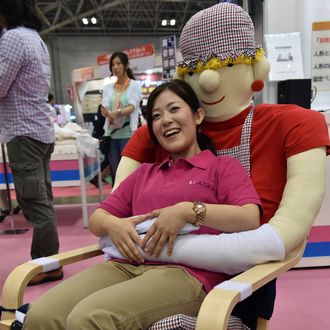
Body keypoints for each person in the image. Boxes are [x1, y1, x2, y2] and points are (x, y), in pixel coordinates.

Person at [115, 2, 330, 327]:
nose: (211, 80)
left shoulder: (295, 124)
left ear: (255, 68)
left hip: (237, 281)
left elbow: (284, 233)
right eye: (197, 70)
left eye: (227, 64)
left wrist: (177, 227)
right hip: (150, 268)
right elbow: (116, 213)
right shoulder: (161, 131)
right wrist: (117, 230)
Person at [23, 79, 262, 330]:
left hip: (188, 273)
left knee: (89, 318)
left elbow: (249, 217)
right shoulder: (145, 173)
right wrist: (112, 224)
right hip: (124, 265)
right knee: (42, 315)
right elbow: (98, 219)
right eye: (156, 116)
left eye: (174, 109)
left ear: (198, 116)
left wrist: (189, 211)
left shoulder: (221, 168)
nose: (165, 120)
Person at [0, 0, 62, 284]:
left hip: (23, 131)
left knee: (36, 205)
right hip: (38, 129)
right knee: (43, 201)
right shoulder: (35, 38)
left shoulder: (12, 37)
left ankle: (45, 264)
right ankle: (48, 261)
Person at [101, 51, 142, 184]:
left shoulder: (135, 85)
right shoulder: (108, 88)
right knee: (115, 172)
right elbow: (104, 108)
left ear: (126, 65)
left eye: (118, 63)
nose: (115, 67)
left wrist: (117, 112)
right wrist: (107, 112)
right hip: (111, 135)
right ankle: (117, 202)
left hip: (128, 135)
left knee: (129, 173)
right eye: (113, 64)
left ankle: (131, 202)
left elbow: (132, 106)